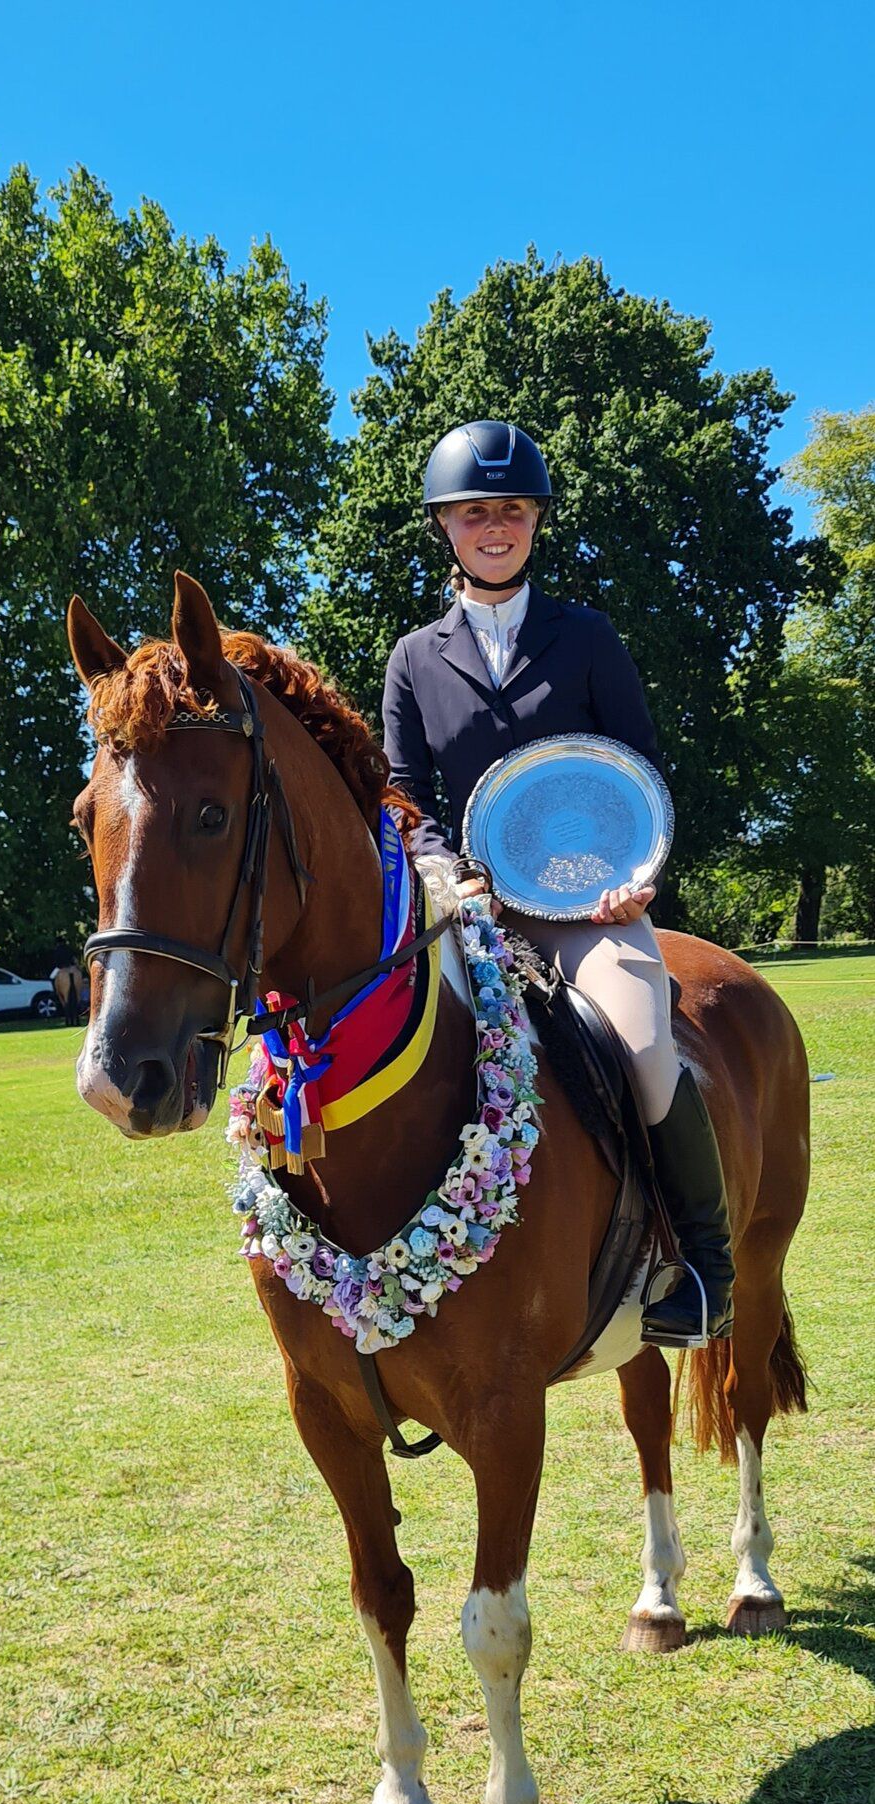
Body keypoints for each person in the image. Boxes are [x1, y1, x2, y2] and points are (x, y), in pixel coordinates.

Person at [382, 419, 734, 1348]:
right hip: (471, 911)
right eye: (471, 514)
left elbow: (639, 768)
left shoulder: (587, 637)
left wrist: (635, 880)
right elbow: (406, 796)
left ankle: (702, 1265)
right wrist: (443, 874)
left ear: (535, 520)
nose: (493, 527)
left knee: (644, 1033)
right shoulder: (414, 658)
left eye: (510, 510)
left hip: (587, 908)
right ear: (444, 528)